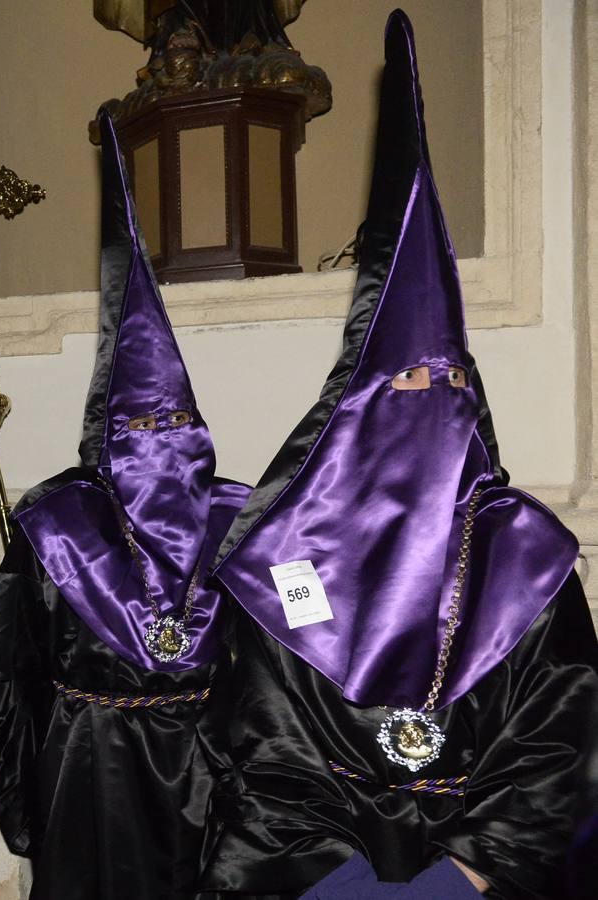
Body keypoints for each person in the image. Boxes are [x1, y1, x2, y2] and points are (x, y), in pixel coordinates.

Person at [196, 12, 598, 898]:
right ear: (351, 410)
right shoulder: (281, 564)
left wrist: (467, 871)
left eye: (441, 383)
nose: (422, 405)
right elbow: (261, 748)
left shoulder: (527, 559)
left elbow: (563, 743)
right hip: (318, 872)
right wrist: (330, 876)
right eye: (398, 387)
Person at [0, 109, 251, 899]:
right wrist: (18, 796)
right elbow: (12, 668)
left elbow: (278, 661)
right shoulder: (56, 522)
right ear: (104, 431)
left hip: (210, 762)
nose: (158, 439)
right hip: (87, 760)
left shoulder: (239, 517)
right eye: (138, 424)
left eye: (172, 421)